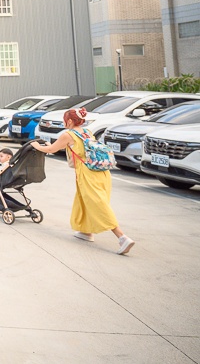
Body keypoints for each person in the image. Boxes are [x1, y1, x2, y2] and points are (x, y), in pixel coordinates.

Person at [31, 107, 134, 255]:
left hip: (87, 173)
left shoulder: (67, 134)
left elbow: (51, 150)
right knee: (84, 200)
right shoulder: (87, 132)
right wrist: (49, 147)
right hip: (101, 172)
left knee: (97, 204)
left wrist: (36, 146)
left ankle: (122, 237)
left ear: (71, 121)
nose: (64, 123)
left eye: (65, 120)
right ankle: (86, 232)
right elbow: (68, 148)